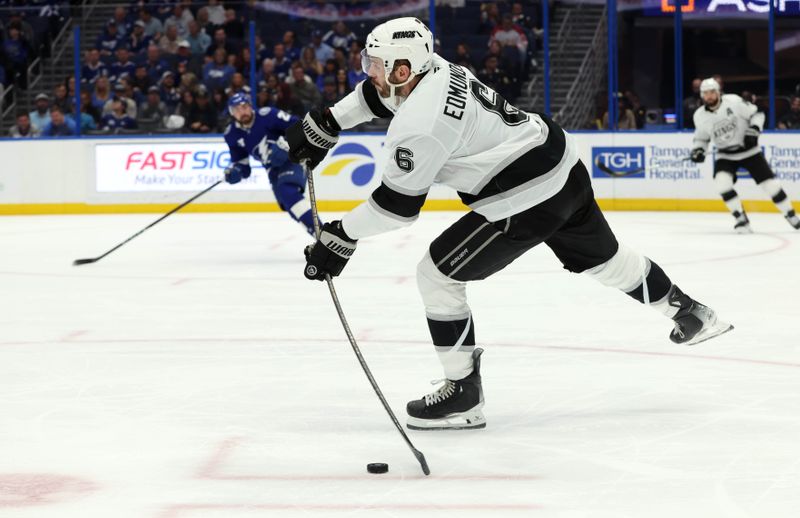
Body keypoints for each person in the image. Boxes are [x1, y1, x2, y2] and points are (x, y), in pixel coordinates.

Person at [286, 18, 734, 431]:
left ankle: (462, 392)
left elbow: (397, 206)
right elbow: (376, 97)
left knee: (436, 274)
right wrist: (329, 121)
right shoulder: (436, 67)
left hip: (523, 197)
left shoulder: (421, 125)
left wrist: (341, 236)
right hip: (560, 161)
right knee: (607, 261)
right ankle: (690, 312)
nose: (371, 73)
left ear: (404, 69)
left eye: (377, 65)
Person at [691, 78, 799, 232]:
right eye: (706, 93)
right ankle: (741, 219)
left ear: (718, 92)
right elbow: (701, 138)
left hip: (750, 151)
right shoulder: (699, 116)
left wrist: (754, 129)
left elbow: (757, 113)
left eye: (712, 92)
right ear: (702, 95)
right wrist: (698, 150)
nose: (709, 96)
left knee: (771, 186)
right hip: (726, 155)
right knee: (722, 183)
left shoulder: (734, 102)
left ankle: (791, 215)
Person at [224, 93, 316, 235]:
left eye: (244, 107)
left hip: (293, 158)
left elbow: (299, 125)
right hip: (272, 170)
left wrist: (287, 144)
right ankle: (318, 235)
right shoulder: (231, 134)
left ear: (250, 106)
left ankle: (321, 233)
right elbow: (243, 166)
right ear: (232, 114)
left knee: (288, 191)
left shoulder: (268, 115)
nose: (242, 112)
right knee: (287, 205)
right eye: (237, 110)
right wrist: (236, 172)